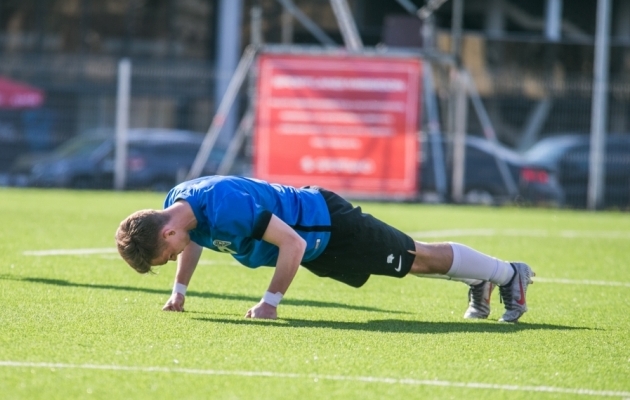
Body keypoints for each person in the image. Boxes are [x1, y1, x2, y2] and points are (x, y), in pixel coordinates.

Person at [115, 175, 535, 323]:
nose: (172, 258)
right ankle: (481, 279)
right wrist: (179, 291)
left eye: (165, 256)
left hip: (327, 226)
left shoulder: (224, 205)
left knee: (416, 257)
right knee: (411, 266)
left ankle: (509, 274)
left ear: (167, 233)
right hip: (317, 247)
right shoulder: (177, 208)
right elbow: (194, 245)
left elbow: (292, 244)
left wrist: (270, 303)